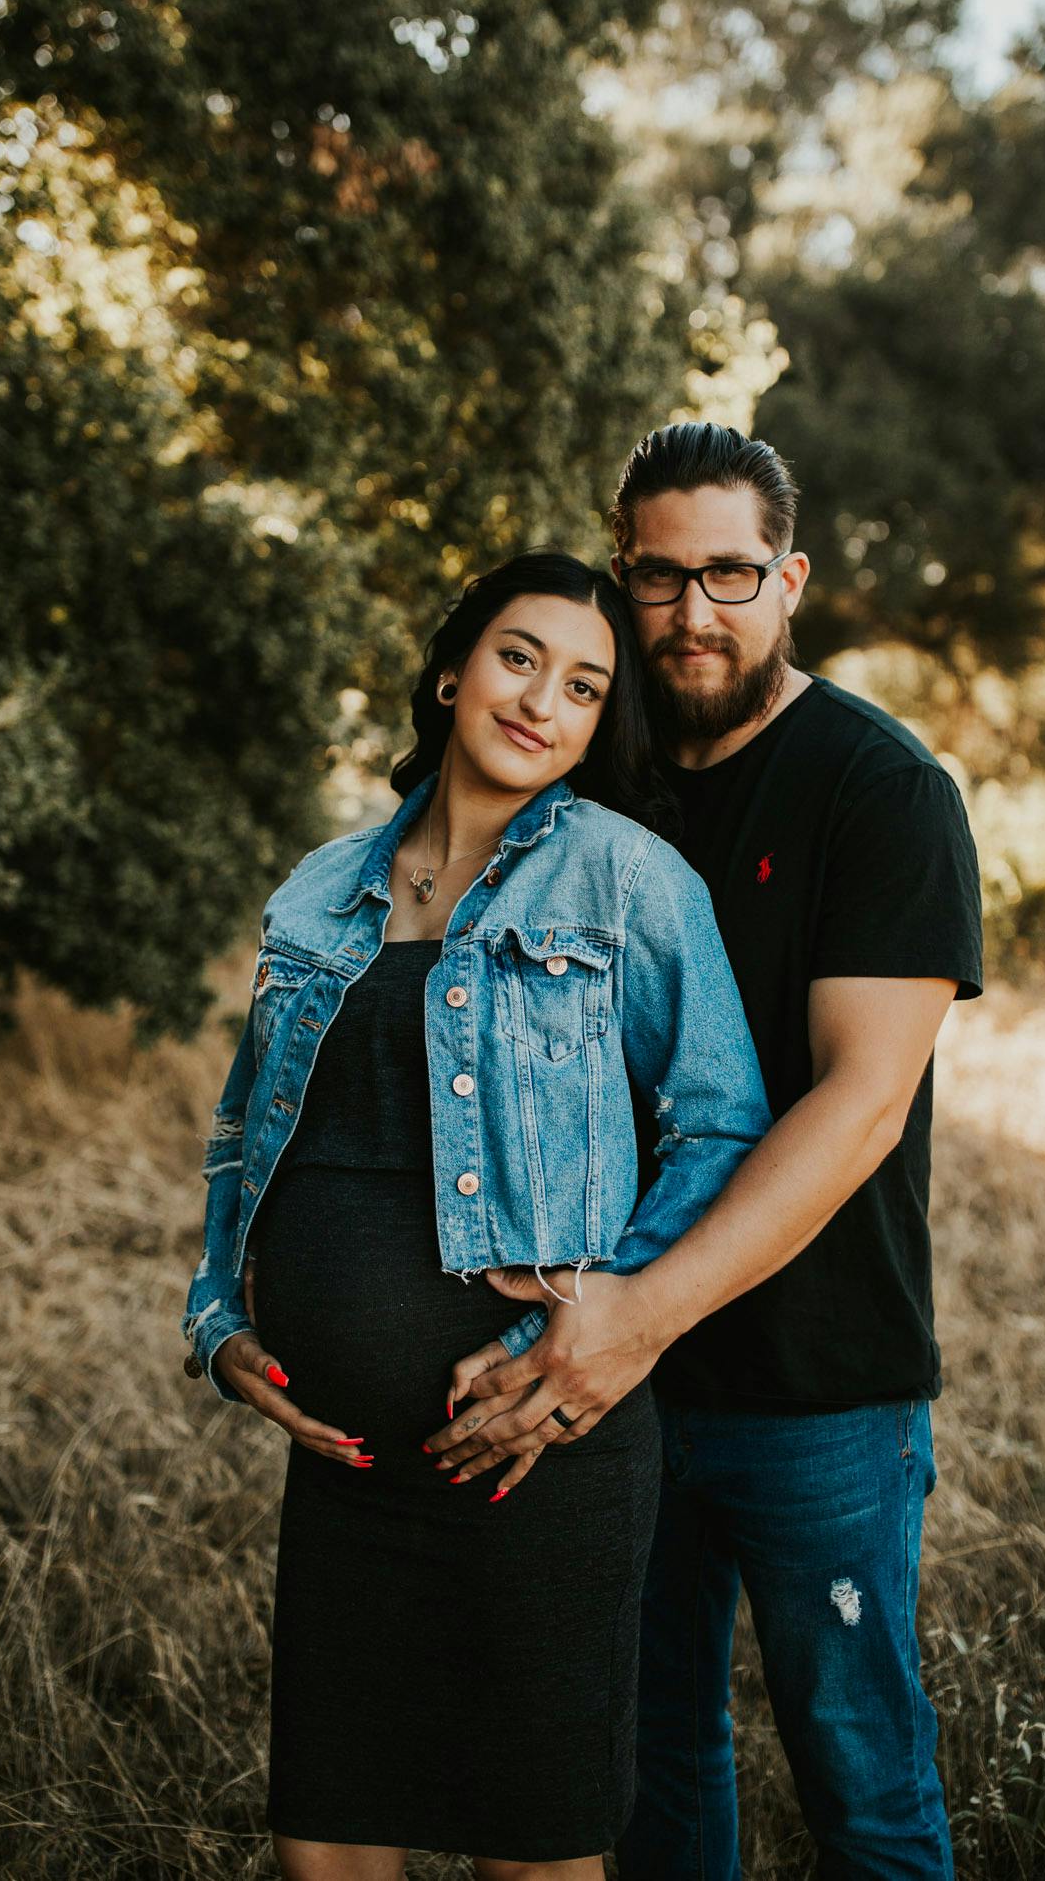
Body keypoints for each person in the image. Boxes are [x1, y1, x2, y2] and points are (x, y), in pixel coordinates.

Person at [426, 426, 984, 1881]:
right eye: (659, 576)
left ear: (788, 580)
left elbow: (860, 1104)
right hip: (604, 1379)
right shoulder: (585, 786)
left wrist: (637, 1318)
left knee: (864, 1784)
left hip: (817, 1383)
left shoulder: (880, 788)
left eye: (730, 573)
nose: (693, 613)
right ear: (620, 580)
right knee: (649, 1770)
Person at [179, 548, 778, 1881]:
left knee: (535, 1854)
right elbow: (244, 1132)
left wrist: (601, 1316)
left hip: (534, 1458)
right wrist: (219, 1320)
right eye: (519, 657)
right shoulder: (318, 887)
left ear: (600, 723)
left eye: (585, 686)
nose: (541, 701)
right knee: (326, 1842)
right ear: (453, 671)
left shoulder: (629, 882)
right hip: (346, 1474)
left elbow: (719, 1124)